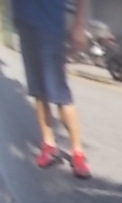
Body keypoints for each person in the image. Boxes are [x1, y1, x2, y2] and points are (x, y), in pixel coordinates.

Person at [11, 0, 92, 178]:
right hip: (26, 23)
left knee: (60, 93)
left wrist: (80, 25)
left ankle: (78, 153)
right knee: (38, 89)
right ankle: (49, 145)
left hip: (50, 26)